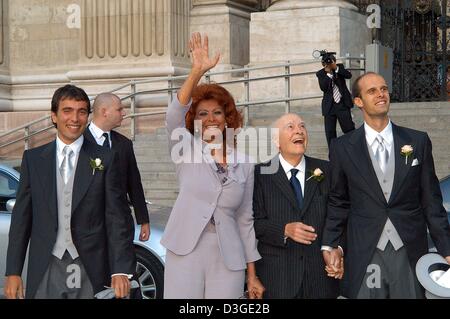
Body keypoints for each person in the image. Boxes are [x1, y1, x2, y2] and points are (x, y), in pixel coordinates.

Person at [322, 72, 450, 299]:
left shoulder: (418, 141)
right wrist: (330, 244)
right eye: (372, 91)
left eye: (383, 89)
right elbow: (338, 201)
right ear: (358, 102)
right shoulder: (342, 147)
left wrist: (446, 248)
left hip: (409, 251)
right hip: (365, 251)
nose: (381, 94)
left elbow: (431, 200)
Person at [4, 85, 135, 299]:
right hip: (46, 265)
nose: (75, 118)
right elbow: (21, 219)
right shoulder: (33, 159)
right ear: (54, 116)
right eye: (67, 110)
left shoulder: (107, 158)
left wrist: (120, 268)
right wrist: (13, 271)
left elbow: (117, 217)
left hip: (90, 266)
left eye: (82, 111)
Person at [160, 32, 264, 299]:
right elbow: (173, 115)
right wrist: (196, 71)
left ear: (228, 117)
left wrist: (252, 276)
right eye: (202, 113)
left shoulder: (246, 164)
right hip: (185, 250)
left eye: (217, 112)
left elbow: (245, 220)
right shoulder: (186, 150)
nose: (210, 119)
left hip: (228, 256)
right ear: (194, 119)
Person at [253, 113, 342, 299]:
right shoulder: (259, 174)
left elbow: (341, 215)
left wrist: (337, 249)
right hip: (278, 279)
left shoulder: (328, 170)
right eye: (290, 127)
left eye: (302, 126)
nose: (299, 130)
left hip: (321, 279)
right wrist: (284, 230)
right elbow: (253, 223)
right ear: (276, 141)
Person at [84, 93, 150, 242]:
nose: (124, 113)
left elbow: (134, 184)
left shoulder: (124, 144)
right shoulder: (78, 142)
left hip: (120, 227)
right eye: (119, 109)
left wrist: (143, 219)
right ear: (104, 112)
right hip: (87, 229)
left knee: (124, 265)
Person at [316, 53, 355, 148]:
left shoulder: (339, 68)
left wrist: (336, 68)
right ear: (323, 63)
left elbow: (348, 75)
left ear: (335, 61)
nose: (328, 63)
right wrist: (328, 74)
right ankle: (333, 155)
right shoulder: (321, 73)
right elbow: (323, 88)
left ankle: (353, 149)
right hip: (329, 107)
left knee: (349, 129)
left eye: (331, 61)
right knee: (330, 133)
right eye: (326, 62)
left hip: (342, 104)